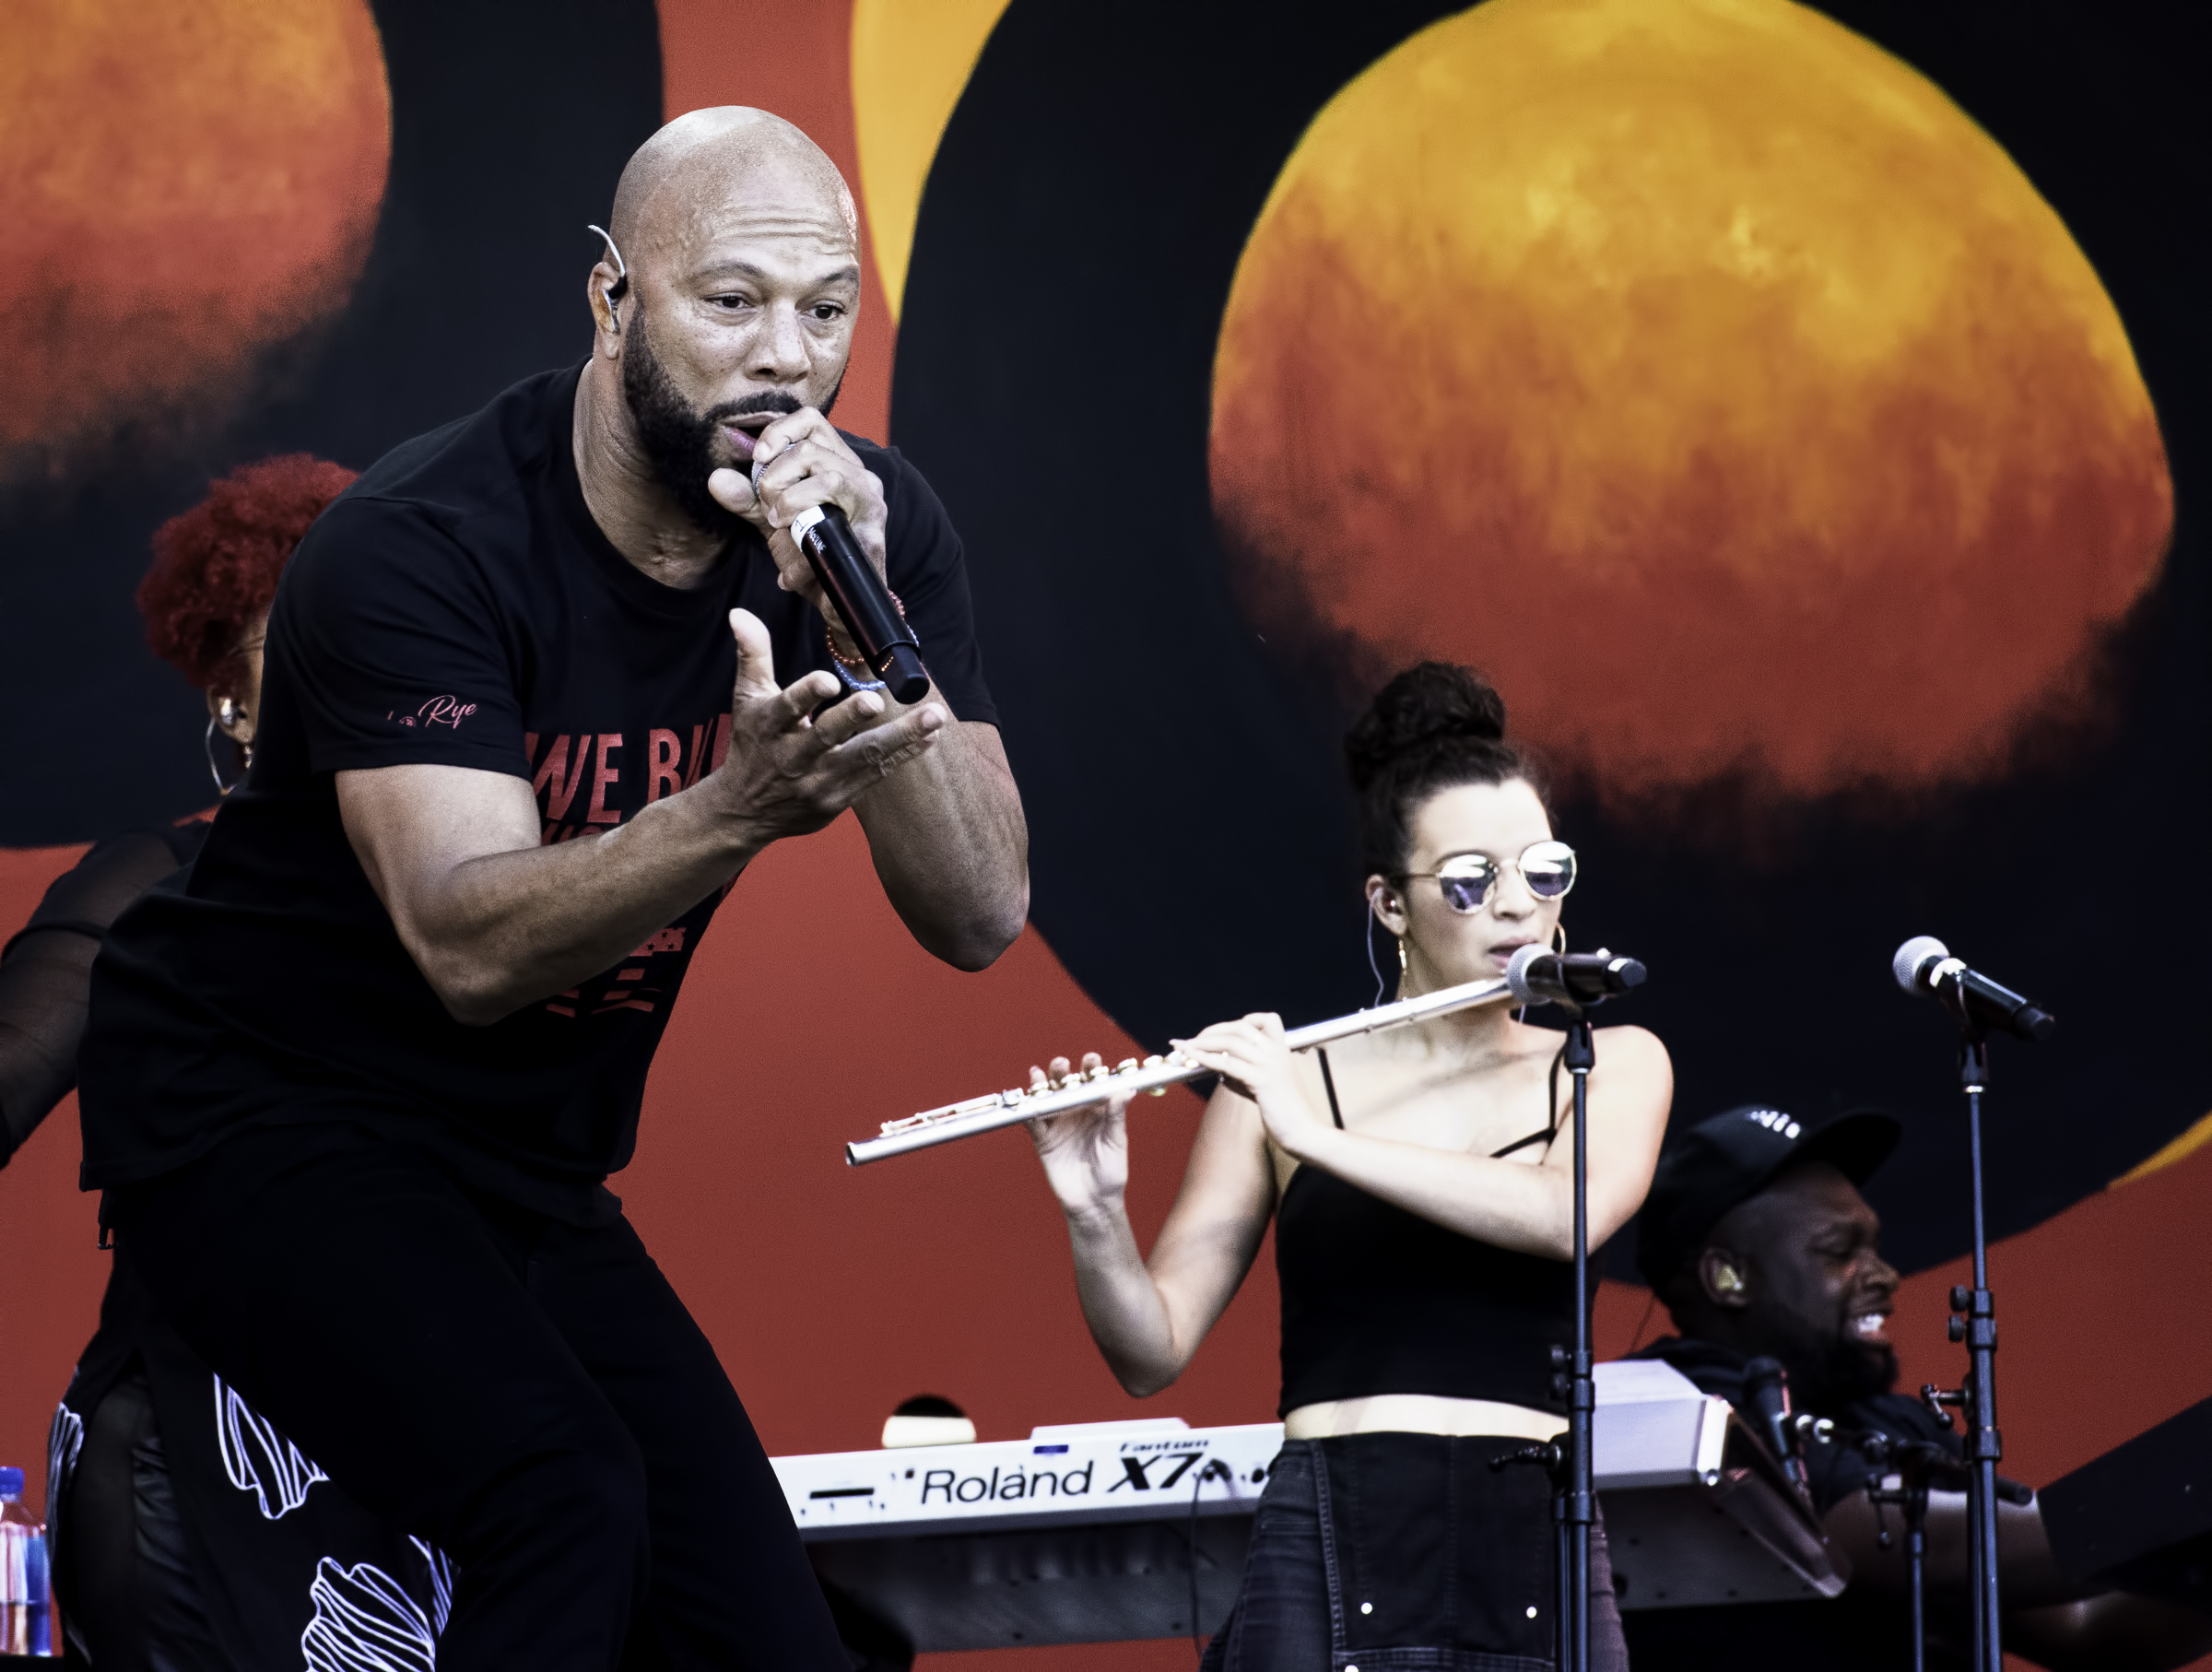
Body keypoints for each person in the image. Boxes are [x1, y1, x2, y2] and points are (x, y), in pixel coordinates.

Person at [73, 107, 1028, 1671]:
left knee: (765, 1630)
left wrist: (872, 628)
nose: (786, 356)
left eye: (827, 307)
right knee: (564, 1494)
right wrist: (736, 807)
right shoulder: (424, 543)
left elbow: (981, 909)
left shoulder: (868, 529)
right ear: (611, 302)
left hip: (514, 1160)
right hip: (263, 1117)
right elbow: (463, 940)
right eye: (731, 301)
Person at [1027, 662, 1672, 1670]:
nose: (1517, 907)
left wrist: (1317, 1136)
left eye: (1544, 872)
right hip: (1327, 1512)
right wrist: (1094, 1207)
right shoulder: (1287, 1081)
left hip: (1531, 1517)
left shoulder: (1607, 1058)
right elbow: (1148, 1350)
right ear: (1391, 903)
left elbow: (1563, 1215)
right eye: (1470, 880)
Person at [2, 455, 459, 1670]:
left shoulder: (481, 892)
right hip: (201, 1464)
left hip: (445, 1448)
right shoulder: (158, 886)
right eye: (297, 646)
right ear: (231, 703)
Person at [1626, 1103, 2212, 1671]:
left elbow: (2090, 1633)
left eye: (1876, 1247)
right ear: (1728, 1278)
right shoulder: (1667, 1407)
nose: (1886, 1275)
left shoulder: (1894, 1421)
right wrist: (2186, 1486)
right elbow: (1905, 1542)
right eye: (1840, 1251)